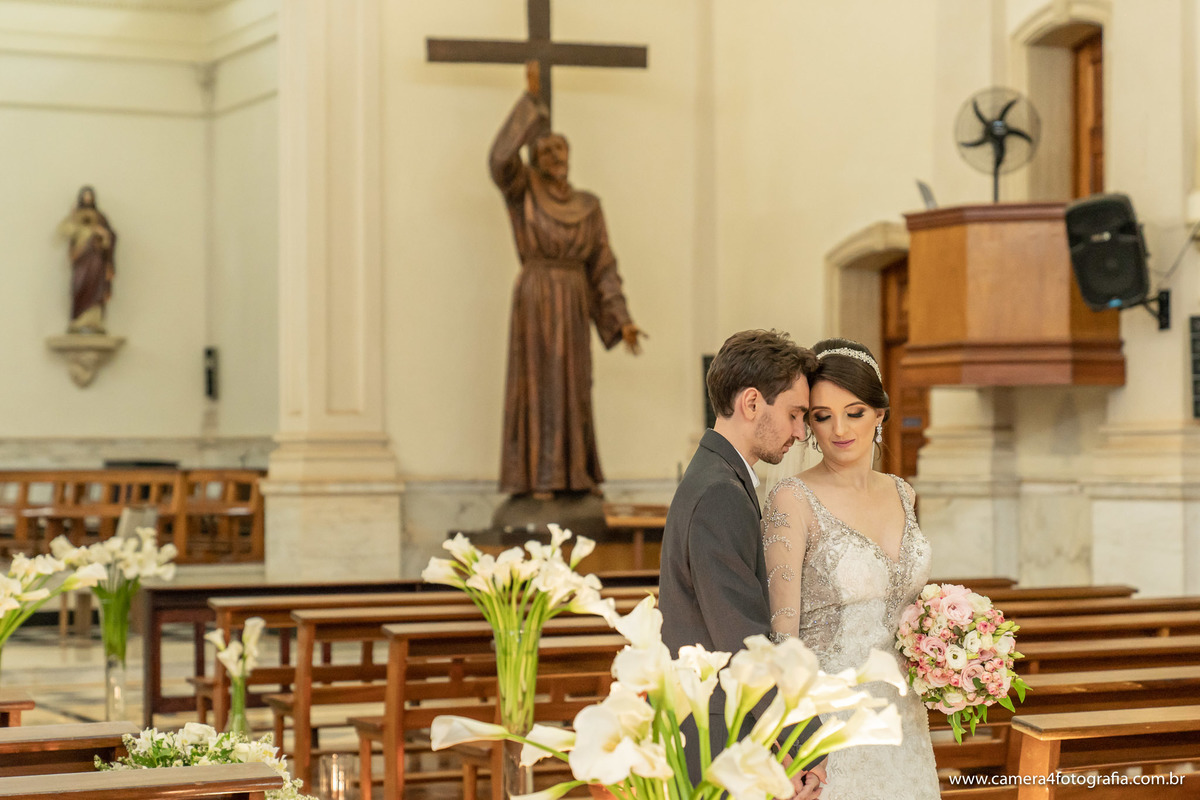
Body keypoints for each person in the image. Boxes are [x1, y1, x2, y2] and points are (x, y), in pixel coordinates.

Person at [762, 338, 940, 800]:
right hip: (828, 723)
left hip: (904, 718)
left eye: (855, 412)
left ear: (879, 414)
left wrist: (949, 648)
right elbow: (781, 637)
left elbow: (909, 607)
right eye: (822, 416)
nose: (839, 429)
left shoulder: (902, 493)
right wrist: (793, 743)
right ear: (809, 424)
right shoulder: (791, 500)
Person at [659, 329, 823, 798]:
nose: (800, 432)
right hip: (719, 737)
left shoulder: (716, 476)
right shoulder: (721, 493)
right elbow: (743, 638)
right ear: (752, 403)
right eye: (794, 414)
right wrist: (803, 743)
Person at [489, 61, 645, 499]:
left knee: (574, 387)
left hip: (574, 299)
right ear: (535, 160)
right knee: (538, 385)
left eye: (562, 152)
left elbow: (603, 266)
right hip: (537, 296)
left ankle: (576, 474)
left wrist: (621, 319)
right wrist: (529, 104)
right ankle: (537, 477)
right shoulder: (524, 192)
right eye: (548, 153)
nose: (557, 159)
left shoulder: (588, 205)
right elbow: (499, 160)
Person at [57, 185, 116, 334]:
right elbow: (64, 231)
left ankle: (93, 321)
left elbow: (110, 237)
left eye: (90, 196)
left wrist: (103, 234)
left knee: (96, 288)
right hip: (81, 258)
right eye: (85, 196)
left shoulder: (100, 217)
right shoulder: (75, 215)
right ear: (81, 197)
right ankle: (79, 320)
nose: (88, 198)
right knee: (80, 285)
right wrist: (75, 222)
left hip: (96, 258)